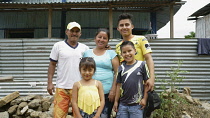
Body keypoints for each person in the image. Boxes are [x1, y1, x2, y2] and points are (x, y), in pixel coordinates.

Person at [47, 22, 89, 118]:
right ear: (67, 32)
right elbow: (52, 64)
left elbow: (89, 67)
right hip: (62, 87)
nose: (74, 33)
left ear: (80, 33)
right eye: (72, 31)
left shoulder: (85, 48)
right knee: (59, 115)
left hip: (79, 88)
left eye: (77, 31)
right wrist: (50, 82)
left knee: (79, 115)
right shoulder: (58, 46)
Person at [83, 28, 120, 118]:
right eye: (99, 37)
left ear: (108, 40)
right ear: (95, 38)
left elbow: (117, 73)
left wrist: (113, 90)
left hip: (107, 93)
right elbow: (82, 71)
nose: (101, 40)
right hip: (90, 92)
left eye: (105, 38)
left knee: (104, 116)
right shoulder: (87, 53)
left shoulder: (111, 53)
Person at [115, 13, 155, 91]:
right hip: (126, 86)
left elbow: (148, 58)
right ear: (118, 28)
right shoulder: (118, 46)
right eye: (121, 25)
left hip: (143, 83)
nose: (124, 27)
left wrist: (152, 77)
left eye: (127, 25)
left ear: (132, 26)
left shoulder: (141, 39)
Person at [113, 41, 149, 118]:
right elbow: (118, 86)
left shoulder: (142, 65)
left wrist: (144, 99)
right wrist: (116, 102)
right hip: (123, 105)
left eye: (129, 51)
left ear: (135, 51)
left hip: (137, 105)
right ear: (121, 54)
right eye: (124, 52)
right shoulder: (120, 68)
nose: (127, 54)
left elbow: (146, 84)